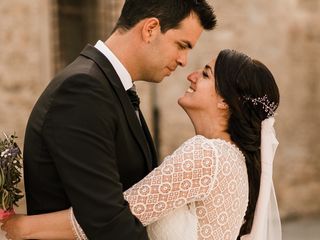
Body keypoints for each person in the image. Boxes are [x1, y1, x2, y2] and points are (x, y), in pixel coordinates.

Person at [2, 49, 281, 240]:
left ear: (225, 101)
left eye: (206, 74)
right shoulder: (232, 158)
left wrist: (21, 227)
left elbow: (112, 217)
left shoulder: (207, 155)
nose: (191, 75)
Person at [15, 0, 217, 239]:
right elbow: (107, 222)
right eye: (181, 45)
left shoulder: (111, 88)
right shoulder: (82, 90)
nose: (184, 60)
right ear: (150, 29)